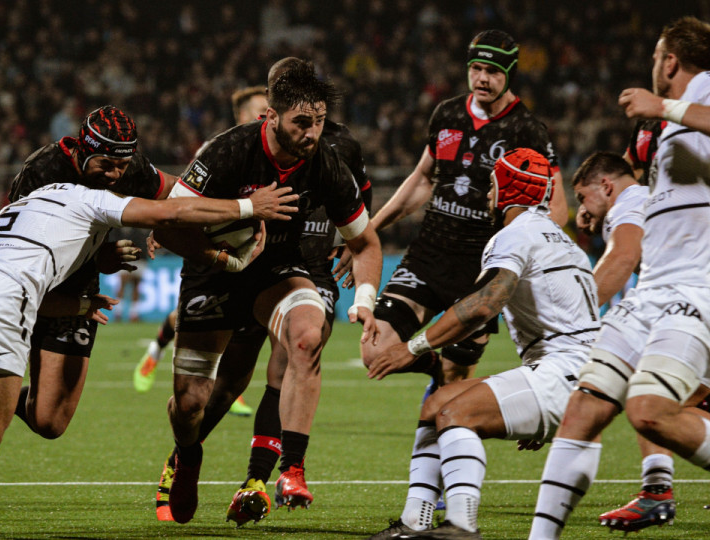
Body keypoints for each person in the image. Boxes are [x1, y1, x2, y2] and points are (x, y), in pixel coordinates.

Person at [0, 169, 299, 539]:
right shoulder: (93, 201)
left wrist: (84, 299)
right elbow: (170, 211)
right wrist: (247, 207)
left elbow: (34, 276)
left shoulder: (30, 199)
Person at [529, 17, 710, 539]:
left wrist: (666, 106)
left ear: (670, 61)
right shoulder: (676, 137)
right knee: (583, 409)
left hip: (699, 286)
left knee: (652, 409)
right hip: (653, 290)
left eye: (657, 59)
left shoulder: (708, 89)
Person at [154, 58, 382, 525]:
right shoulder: (226, 151)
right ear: (271, 116)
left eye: (318, 122)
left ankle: (290, 470)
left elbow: (366, 241)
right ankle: (187, 457)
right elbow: (169, 225)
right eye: (302, 122)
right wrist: (243, 211)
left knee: (306, 334)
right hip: (213, 270)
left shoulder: (327, 163)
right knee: (193, 402)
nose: (312, 133)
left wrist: (364, 300)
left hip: (276, 268)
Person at [0, 106, 181, 537]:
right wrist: (99, 257)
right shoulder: (43, 170)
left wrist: (176, 223)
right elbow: (18, 244)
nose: (114, 174)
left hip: (81, 294)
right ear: (83, 150)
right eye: (105, 163)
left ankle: (7, 397)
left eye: (122, 165)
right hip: (29, 289)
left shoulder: (129, 167)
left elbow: (179, 193)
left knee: (50, 422)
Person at [365, 148, 597, 540]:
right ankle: (414, 522)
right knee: (436, 404)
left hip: (562, 372)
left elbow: (483, 305)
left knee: (458, 414)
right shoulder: (564, 240)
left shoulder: (512, 235)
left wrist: (414, 347)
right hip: (575, 372)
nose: (488, 196)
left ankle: (461, 524)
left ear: (506, 188)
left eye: (492, 187)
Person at [344, 30, 567, 399]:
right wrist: (368, 230)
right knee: (374, 351)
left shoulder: (527, 130)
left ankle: (448, 379)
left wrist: (521, 254)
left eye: (493, 72)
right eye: (476, 68)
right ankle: (433, 365)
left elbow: (556, 206)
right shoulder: (447, 114)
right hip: (428, 256)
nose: (482, 78)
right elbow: (421, 181)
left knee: (452, 389)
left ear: (510, 74)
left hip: (479, 268)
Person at [575, 164, 710, 529]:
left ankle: (659, 492)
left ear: (604, 185)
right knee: (663, 399)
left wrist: (574, 324)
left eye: (583, 197)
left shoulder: (630, 207)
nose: (580, 207)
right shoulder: (665, 201)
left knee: (657, 404)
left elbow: (622, 259)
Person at [132, 87, 271, 422]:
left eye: (269, 112)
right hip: (212, 244)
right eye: (259, 112)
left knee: (241, 319)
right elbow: (185, 194)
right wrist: (167, 225)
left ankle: (226, 387)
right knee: (197, 316)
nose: (266, 117)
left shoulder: (270, 151)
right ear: (241, 116)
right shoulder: (219, 148)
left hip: (247, 246)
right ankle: (154, 353)